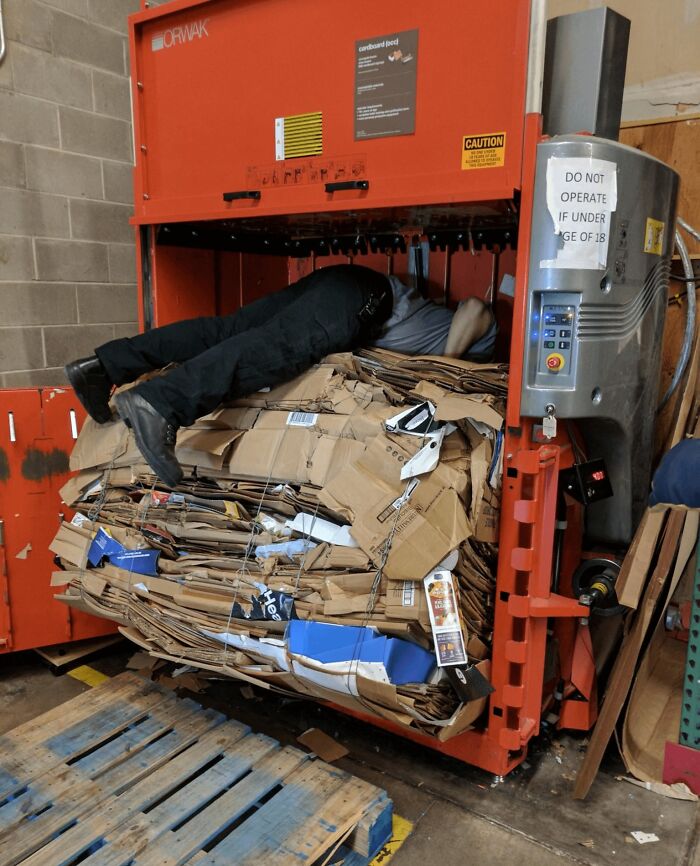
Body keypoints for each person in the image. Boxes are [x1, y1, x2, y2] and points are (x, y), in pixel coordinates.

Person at [66, 264, 496, 487]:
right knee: (278, 349)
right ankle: (162, 404)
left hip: (344, 287)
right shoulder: (491, 348)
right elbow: (476, 308)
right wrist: (445, 370)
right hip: (366, 300)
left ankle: (105, 367)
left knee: (228, 331)